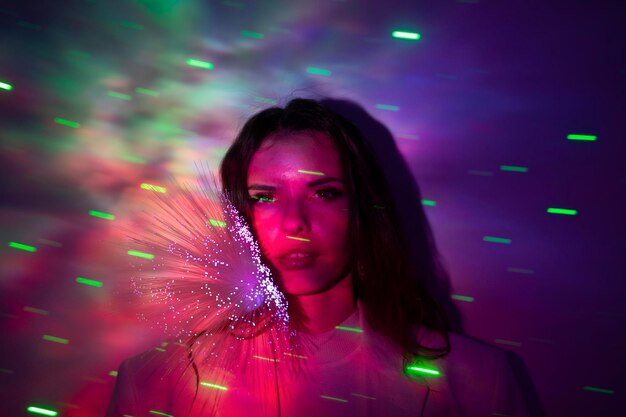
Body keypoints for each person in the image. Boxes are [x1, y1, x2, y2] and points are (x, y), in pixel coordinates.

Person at [107, 98, 533, 417]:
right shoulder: (155, 384)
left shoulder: (479, 381)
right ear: (239, 213)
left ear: (363, 208)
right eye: (265, 198)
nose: (295, 222)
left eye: (325, 193)